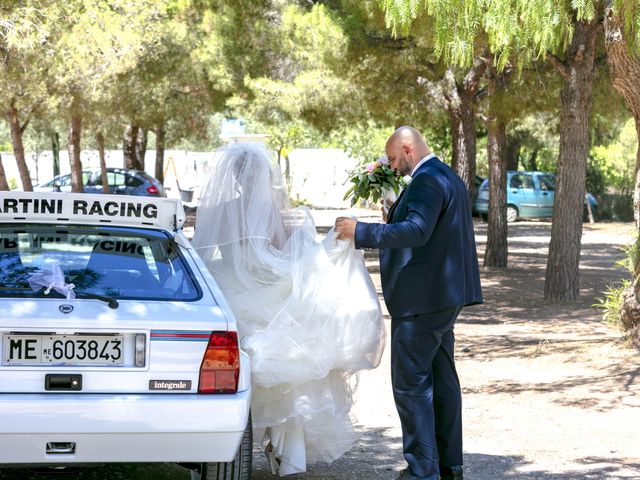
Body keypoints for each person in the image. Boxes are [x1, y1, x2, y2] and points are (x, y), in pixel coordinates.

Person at [191, 141, 386, 476]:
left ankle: (223, 453)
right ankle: (288, 458)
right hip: (270, 295)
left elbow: (207, 255)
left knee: (247, 375)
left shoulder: (223, 209)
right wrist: (324, 248)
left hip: (236, 294)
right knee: (292, 373)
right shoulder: (275, 215)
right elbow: (284, 264)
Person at [334, 126, 483, 480]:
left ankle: (422, 472)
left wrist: (362, 231)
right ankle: (449, 465)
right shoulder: (446, 175)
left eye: (392, 158)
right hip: (445, 297)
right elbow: (430, 230)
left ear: (407, 148)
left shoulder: (427, 180)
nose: (392, 165)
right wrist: (391, 217)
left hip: (423, 300)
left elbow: (417, 231)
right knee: (442, 380)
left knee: (410, 383)